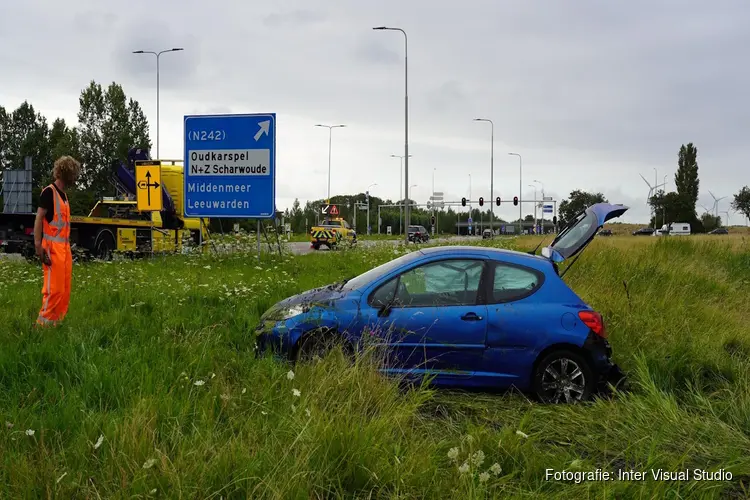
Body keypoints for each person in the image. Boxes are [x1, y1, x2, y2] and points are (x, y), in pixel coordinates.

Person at [34, 156, 80, 326]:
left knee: (64, 291)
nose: (75, 179)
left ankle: (56, 324)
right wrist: (38, 246)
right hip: (52, 249)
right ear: (67, 173)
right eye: (74, 174)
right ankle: (41, 327)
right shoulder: (49, 192)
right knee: (54, 290)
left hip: (64, 249)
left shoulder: (64, 196)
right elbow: (39, 218)